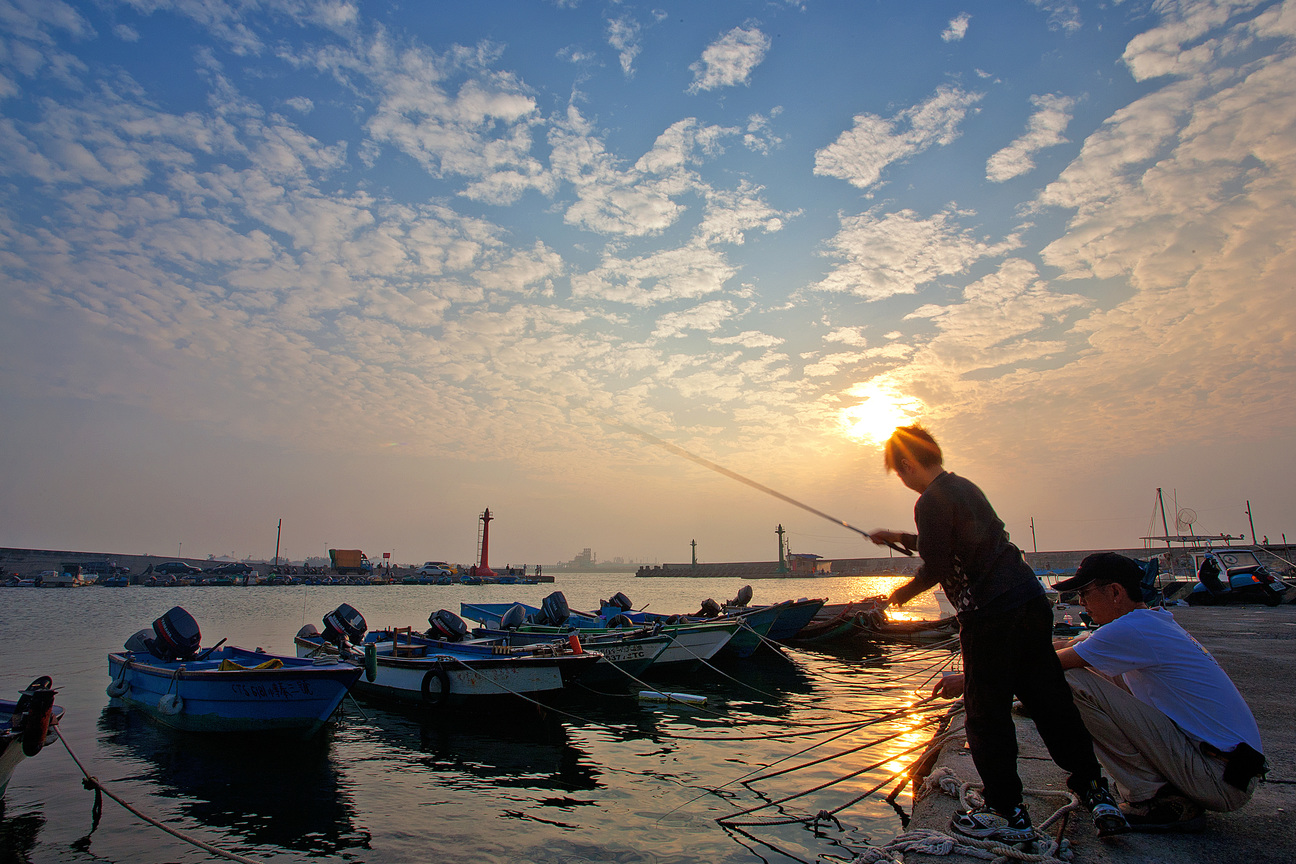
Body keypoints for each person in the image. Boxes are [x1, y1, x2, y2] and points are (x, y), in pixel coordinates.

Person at [873, 425, 1128, 842]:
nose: (901, 481)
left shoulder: (929, 501)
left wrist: (899, 595)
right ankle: (1094, 789)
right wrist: (896, 538)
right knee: (1050, 700)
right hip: (1028, 601)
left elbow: (936, 563)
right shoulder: (963, 488)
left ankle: (1007, 811)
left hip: (990, 616)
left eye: (898, 473)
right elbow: (958, 543)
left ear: (906, 465)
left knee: (986, 714)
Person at [1054, 553, 1263, 829]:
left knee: (1069, 682)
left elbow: (1051, 663)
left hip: (1218, 778)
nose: (1080, 603)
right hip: (1228, 772)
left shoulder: (1132, 630)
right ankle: (1160, 790)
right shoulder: (1151, 622)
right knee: (1096, 670)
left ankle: (1153, 797)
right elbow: (1069, 646)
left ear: (1115, 592)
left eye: (1085, 593)